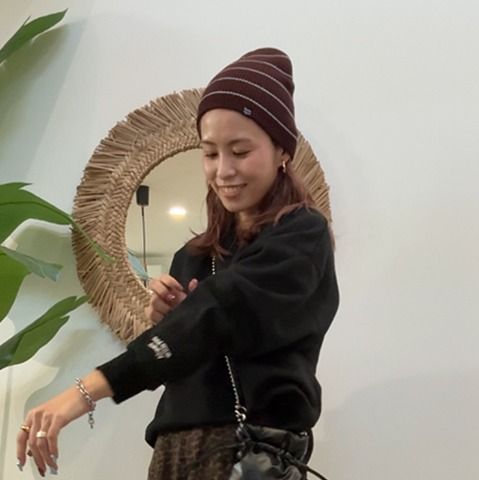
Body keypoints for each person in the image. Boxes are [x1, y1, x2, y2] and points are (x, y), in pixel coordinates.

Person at [16, 47, 339, 479]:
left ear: (282, 150)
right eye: (210, 153)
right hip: (174, 452)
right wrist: (172, 320)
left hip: (249, 453)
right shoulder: (193, 256)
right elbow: (197, 337)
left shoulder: (301, 235)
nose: (223, 170)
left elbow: (218, 313)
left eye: (240, 151)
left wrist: (85, 391)